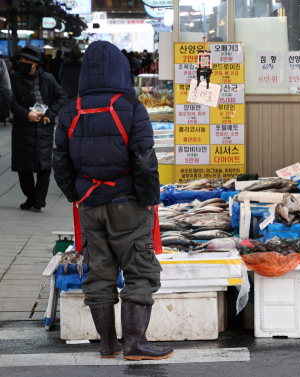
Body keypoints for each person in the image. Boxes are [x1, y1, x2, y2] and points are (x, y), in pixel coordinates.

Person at [52, 41, 172, 361]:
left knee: (99, 272)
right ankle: (135, 344)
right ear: (121, 68)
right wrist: (149, 198)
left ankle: (108, 345)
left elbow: (59, 162)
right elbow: (144, 158)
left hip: (90, 204)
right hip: (128, 203)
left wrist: (75, 195)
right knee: (139, 271)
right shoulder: (131, 107)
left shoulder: (69, 110)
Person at [10, 45, 67, 210]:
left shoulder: (48, 79)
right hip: (23, 127)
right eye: (21, 59)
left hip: (44, 127)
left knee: (44, 165)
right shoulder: (15, 79)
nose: (22, 62)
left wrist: (49, 113)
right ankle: (31, 197)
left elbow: (62, 96)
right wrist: (25, 114)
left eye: (26, 60)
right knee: (24, 167)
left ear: (35, 63)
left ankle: (40, 199)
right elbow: (10, 101)